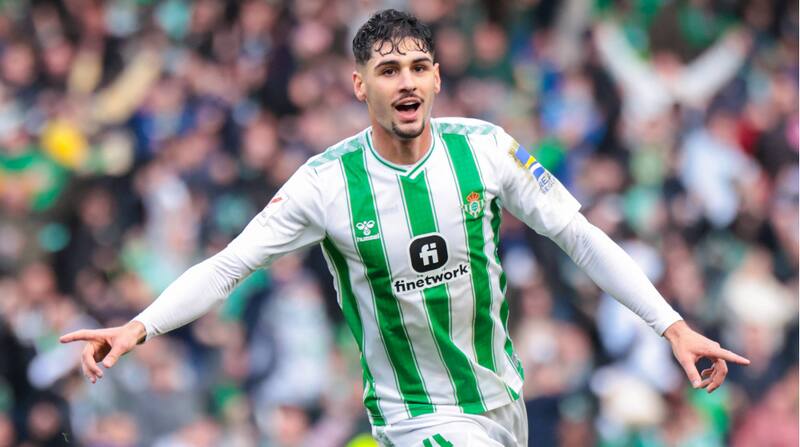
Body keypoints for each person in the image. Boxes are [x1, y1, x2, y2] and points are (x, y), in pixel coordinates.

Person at [60, 9, 750, 447]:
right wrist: (138, 327)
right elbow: (227, 266)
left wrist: (672, 324)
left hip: (503, 402)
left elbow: (581, 235)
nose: (406, 80)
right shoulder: (324, 184)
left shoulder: (486, 148)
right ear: (360, 85)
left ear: (438, 77)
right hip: (419, 416)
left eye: (418, 66)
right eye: (388, 69)